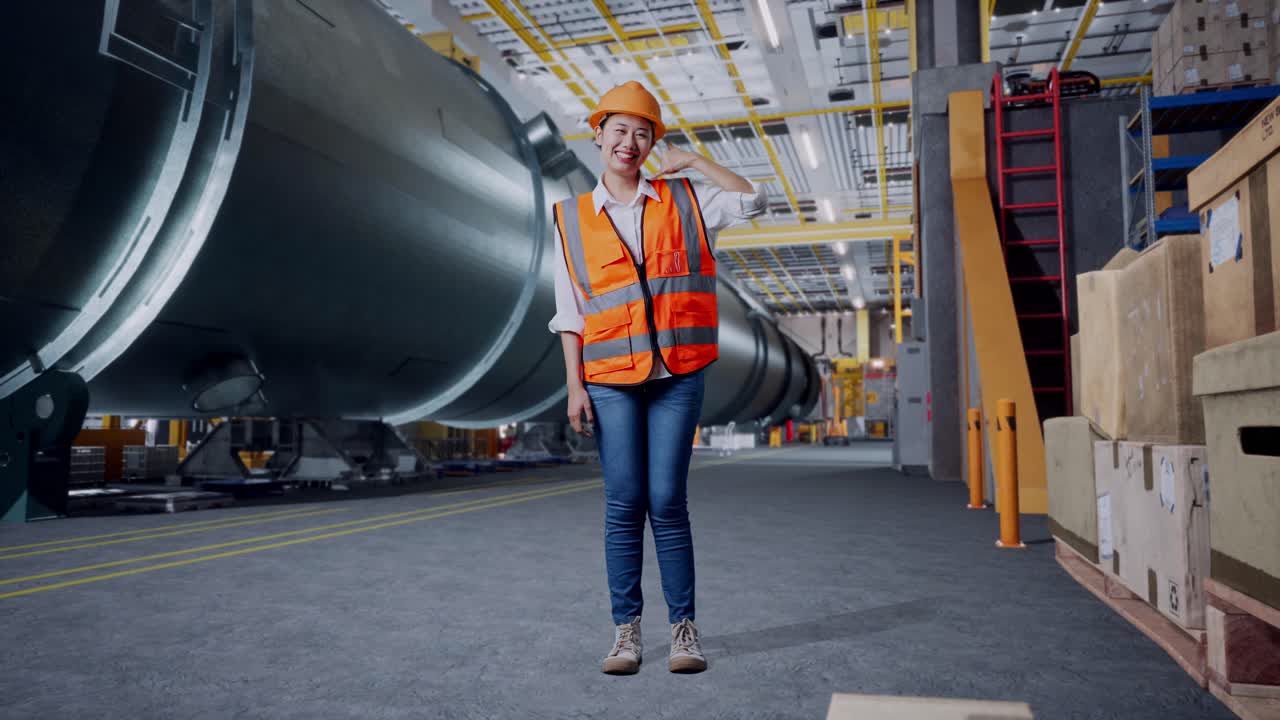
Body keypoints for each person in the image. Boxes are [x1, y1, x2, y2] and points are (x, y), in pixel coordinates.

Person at [547, 81, 767, 675]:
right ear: (598, 135)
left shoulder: (686, 199)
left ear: (652, 144)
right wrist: (574, 387)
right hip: (611, 377)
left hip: (676, 374)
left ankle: (684, 631)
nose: (630, 141)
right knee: (624, 503)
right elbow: (570, 313)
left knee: (667, 501)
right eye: (619, 129)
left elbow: (754, 199)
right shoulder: (570, 219)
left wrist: (694, 161)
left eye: (643, 132)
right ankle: (626, 633)